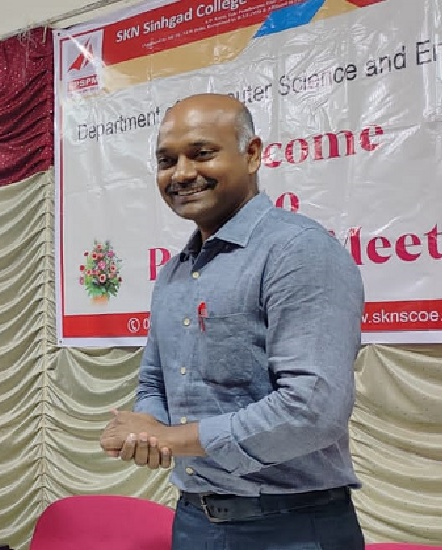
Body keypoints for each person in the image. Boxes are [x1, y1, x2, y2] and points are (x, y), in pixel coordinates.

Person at [99, 93, 366, 549]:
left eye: (202, 153)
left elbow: (313, 410)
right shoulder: (174, 272)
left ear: (253, 154)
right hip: (194, 521)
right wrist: (146, 427)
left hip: (291, 528)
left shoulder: (297, 250)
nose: (181, 173)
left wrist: (174, 438)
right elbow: (154, 384)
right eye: (166, 161)